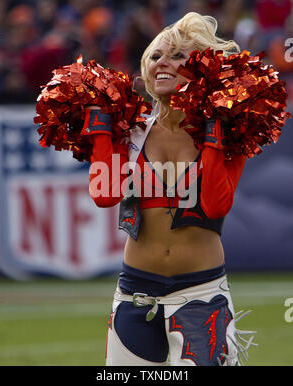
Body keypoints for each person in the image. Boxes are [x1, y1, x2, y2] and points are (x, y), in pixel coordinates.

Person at [84, 12, 256, 366]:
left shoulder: (231, 129)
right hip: (134, 295)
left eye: (178, 56)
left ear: (204, 68)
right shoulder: (131, 132)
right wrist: (101, 128)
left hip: (201, 296)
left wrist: (213, 135)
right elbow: (104, 195)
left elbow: (215, 204)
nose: (163, 63)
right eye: (157, 56)